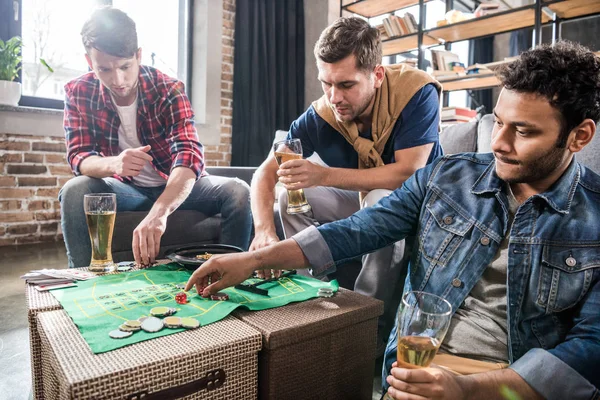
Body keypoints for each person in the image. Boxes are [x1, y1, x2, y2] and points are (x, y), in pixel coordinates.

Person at [187, 41, 600, 399]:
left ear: (579, 137)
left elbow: (589, 348)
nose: (499, 144)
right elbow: (361, 228)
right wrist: (255, 259)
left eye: (524, 133)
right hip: (414, 370)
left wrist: (468, 390)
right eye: (498, 123)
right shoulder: (446, 177)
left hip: (511, 386)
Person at [249, 16, 442, 344]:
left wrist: (323, 174)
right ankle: (311, 293)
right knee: (291, 196)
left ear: (377, 75)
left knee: (380, 199)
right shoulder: (320, 114)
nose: (334, 96)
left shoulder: (417, 92)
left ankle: (364, 320)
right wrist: (264, 231)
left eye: (346, 85)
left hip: (419, 205)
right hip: (361, 198)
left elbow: (409, 172)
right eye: (326, 83)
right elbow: (264, 173)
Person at [59, 7, 252, 268]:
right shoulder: (78, 92)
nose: (118, 80)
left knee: (238, 191)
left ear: (138, 55)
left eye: (125, 66)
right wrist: (114, 164)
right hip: (125, 189)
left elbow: (188, 158)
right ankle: (83, 282)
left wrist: (159, 213)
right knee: (75, 190)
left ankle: (231, 271)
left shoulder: (168, 89)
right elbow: (78, 157)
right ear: (89, 61)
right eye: (104, 69)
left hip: (173, 185)